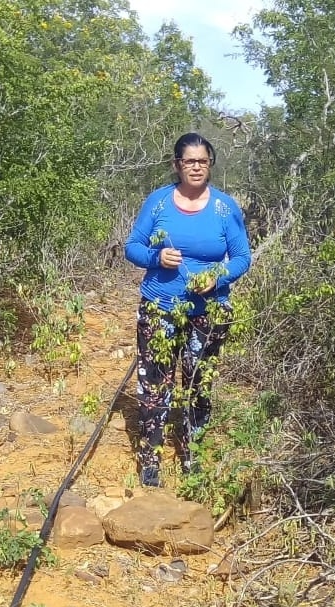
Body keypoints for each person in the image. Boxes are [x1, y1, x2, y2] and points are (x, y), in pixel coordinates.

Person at [124, 132, 252, 487]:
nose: (196, 167)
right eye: (189, 161)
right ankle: (151, 458)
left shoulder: (226, 208)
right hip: (160, 306)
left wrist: (219, 275)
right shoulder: (159, 203)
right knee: (155, 383)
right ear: (176, 165)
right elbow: (131, 246)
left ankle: (191, 453)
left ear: (210, 164)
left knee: (198, 382)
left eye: (202, 161)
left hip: (209, 311)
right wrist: (156, 256)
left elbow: (243, 256)